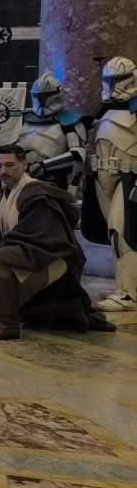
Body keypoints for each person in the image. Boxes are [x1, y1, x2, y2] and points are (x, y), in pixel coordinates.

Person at [0, 145, 114, 340]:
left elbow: (43, 236)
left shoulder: (38, 194)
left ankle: (6, 324)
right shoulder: (1, 197)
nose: (3, 171)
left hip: (51, 258)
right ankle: (7, 315)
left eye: (10, 165)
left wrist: (0, 250)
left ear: (24, 164)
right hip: (23, 255)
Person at [83, 56, 137, 312]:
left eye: (116, 80)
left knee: (123, 233)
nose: (112, 86)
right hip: (103, 177)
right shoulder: (105, 109)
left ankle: (128, 294)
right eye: (108, 80)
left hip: (129, 179)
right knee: (114, 236)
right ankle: (124, 287)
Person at [18, 71, 87, 190]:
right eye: (38, 96)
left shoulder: (69, 119)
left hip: (54, 179)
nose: (41, 100)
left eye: (45, 96)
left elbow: (78, 154)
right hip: (21, 177)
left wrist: (44, 166)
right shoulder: (26, 117)